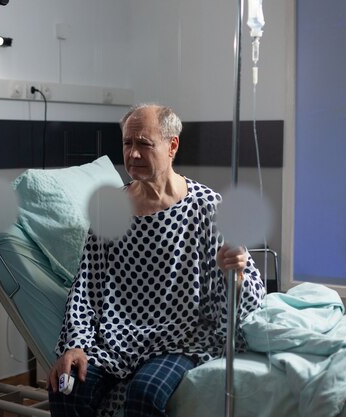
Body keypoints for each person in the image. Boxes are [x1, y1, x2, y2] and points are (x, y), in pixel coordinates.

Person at [47, 104, 266, 417]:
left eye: (144, 144)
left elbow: (239, 304)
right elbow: (86, 289)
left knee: (144, 393)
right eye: (127, 143)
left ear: (172, 145)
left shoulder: (206, 207)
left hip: (180, 339)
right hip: (115, 340)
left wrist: (237, 273)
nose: (133, 154)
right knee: (67, 387)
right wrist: (77, 343)